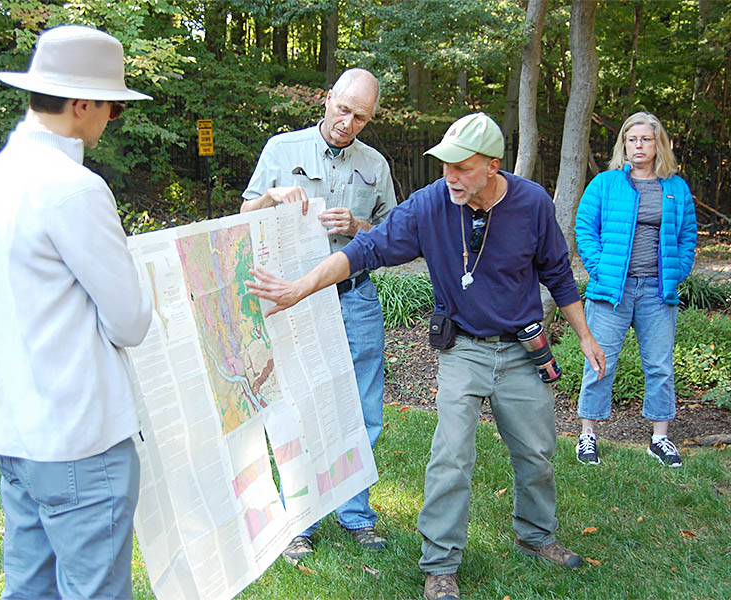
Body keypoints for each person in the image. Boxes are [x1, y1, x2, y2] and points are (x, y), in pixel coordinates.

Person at [246, 112, 606, 600]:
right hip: (463, 349)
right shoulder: (430, 205)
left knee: (537, 454)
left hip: (522, 352)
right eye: (445, 166)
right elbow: (364, 250)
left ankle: (536, 537)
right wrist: (299, 289)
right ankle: (440, 565)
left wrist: (585, 336)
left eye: (463, 167)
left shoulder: (532, 204)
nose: (451, 177)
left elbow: (558, 273)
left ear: (494, 166)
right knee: (450, 457)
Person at [0, 25, 153, 598]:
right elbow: (130, 321)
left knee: (28, 589)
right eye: (112, 107)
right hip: (79, 439)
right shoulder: (75, 188)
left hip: (15, 429)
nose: (110, 119)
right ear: (81, 104)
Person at [241, 68, 396, 561]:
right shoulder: (281, 150)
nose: (348, 122)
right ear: (328, 99)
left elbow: (394, 237)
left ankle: (355, 513)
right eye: (343, 108)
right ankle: (298, 518)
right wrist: (270, 198)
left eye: (361, 117)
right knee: (294, 406)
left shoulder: (376, 164)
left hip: (354, 296)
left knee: (362, 405)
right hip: (295, 296)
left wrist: (357, 223)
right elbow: (242, 219)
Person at [574, 111, 697, 468]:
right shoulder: (605, 184)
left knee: (660, 366)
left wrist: (677, 272)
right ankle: (588, 435)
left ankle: (660, 438)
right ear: (623, 144)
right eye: (632, 139)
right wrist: (599, 269)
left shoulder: (676, 187)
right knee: (599, 363)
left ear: (658, 145)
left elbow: (688, 236)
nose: (638, 146)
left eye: (645, 139)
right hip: (612, 291)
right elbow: (585, 229)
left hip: (658, 293)